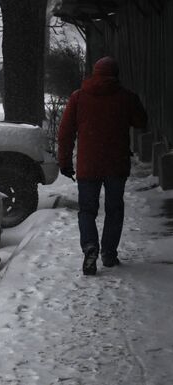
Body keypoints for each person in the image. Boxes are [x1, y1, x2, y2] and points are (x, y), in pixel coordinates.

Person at [58, 56, 147, 275]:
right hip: (116, 165)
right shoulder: (125, 98)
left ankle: (90, 247)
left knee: (87, 210)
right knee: (114, 210)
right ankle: (109, 253)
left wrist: (65, 162)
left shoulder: (78, 98)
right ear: (116, 75)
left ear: (94, 73)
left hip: (88, 165)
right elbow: (141, 122)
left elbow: (65, 133)